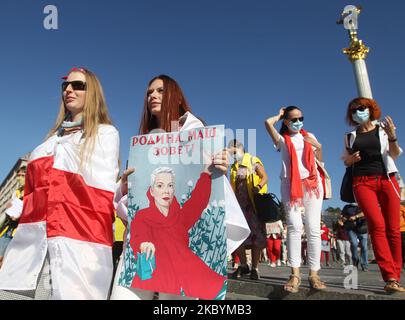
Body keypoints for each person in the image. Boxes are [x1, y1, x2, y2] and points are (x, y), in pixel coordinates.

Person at [110, 75, 249, 300]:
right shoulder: (144, 143)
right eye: (149, 92)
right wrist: (126, 186)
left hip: (179, 262)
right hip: (138, 258)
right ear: (151, 190)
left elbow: (198, 201)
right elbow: (132, 219)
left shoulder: (197, 135)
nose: (152, 96)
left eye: (160, 91)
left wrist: (215, 169)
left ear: (177, 98)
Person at [0, 67, 120, 300]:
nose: (68, 89)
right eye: (65, 85)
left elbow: (98, 191)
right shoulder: (47, 143)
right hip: (31, 243)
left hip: (76, 244)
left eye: (78, 86)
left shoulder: (105, 134)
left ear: (92, 93)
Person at [129, 167, 226, 299]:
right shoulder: (143, 216)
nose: (166, 190)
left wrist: (206, 174)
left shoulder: (180, 217)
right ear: (152, 191)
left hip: (178, 283)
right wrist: (143, 244)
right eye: (160, 185)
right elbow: (138, 235)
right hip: (148, 277)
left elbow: (198, 201)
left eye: (170, 185)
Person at [342, 97, 404, 292]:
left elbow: (394, 154)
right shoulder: (350, 136)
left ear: (370, 109)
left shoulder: (382, 130)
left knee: (393, 229)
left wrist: (392, 136)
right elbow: (346, 161)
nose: (357, 112)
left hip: (386, 179)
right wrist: (350, 160)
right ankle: (390, 277)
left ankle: (396, 271)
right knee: (377, 226)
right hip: (362, 182)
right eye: (353, 111)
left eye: (361, 108)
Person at [265, 106, 326, 293]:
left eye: (301, 118)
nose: (298, 122)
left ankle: (314, 274)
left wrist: (319, 147)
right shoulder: (282, 140)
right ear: (286, 121)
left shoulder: (310, 135)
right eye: (293, 119)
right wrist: (280, 114)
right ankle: (295, 274)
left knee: (314, 228)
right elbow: (267, 123)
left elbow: (320, 162)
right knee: (294, 226)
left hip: (312, 185)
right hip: (290, 185)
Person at [228, 140, 269, 280]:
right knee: (236, 235)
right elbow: (232, 186)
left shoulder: (253, 160)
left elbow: (264, 177)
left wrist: (258, 187)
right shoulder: (233, 167)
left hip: (253, 206)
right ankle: (244, 265)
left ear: (239, 148)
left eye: (232, 150)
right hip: (239, 207)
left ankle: (255, 268)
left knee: (256, 237)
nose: (230, 153)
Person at [341, 204, 369, 271]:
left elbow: (366, 212)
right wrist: (343, 218)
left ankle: (364, 264)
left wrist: (356, 216)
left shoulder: (363, 203)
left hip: (362, 227)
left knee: (364, 246)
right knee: (354, 244)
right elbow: (342, 215)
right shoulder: (347, 206)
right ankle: (355, 262)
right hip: (351, 227)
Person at [400, 203, 405, 270]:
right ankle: (400, 264)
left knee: (403, 247)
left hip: (403, 230)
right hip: (393, 231)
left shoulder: (401, 207)